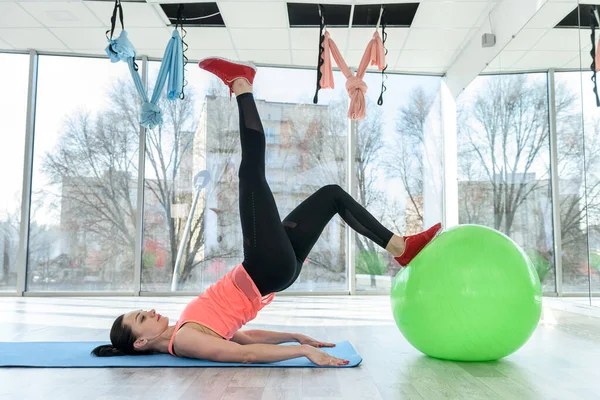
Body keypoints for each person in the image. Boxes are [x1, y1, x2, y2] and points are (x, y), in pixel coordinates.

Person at [91, 58, 442, 366]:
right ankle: (241, 83)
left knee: (332, 195)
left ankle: (400, 247)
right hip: (265, 269)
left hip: (276, 273)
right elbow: (243, 355)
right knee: (251, 172)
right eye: (141, 317)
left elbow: (245, 337)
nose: (149, 312)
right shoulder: (182, 341)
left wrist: (296, 336)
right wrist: (302, 353)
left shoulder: (182, 331)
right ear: (139, 341)